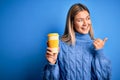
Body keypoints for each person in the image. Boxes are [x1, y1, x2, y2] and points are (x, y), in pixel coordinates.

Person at [43, 3, 111, 80]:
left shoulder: (95, 46)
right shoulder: (60, 45)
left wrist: (99, 53)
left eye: (88, 18)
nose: (86, 23)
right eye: (80, 20)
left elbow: (104, 78)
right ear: (72, 23)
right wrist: (52, 64)